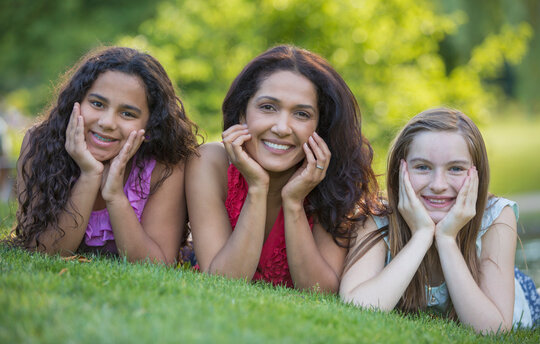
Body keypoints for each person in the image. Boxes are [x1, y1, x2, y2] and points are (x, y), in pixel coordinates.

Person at [186, 45, 381, 292]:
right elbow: (223, 281)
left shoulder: (335, 179)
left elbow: (319, 291)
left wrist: (293, 202)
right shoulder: (210, 163)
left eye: (301, 114)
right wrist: (257, 188)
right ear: (243, 114)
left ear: (320, 128)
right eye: (268, 107)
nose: (282, 127)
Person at [340, 108, 540, 332]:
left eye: (455, 168)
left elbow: (492, 329)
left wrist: (446, 239)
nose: (438, 185)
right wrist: (422, 235)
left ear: (477, 175)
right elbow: (356, 308)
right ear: (400, 171)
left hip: (517, 295)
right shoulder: (376, 216)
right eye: (423, 167)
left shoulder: (496, 217)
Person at [11, 47, 199, 265]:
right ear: (76, 101)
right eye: (97, 104)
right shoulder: (40, 143)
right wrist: (90, 175)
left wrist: (115, 196)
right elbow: (43, 253)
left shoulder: (165, 165)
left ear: (151, 124)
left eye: (128, 114)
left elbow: (157, 265)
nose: (107, 122)